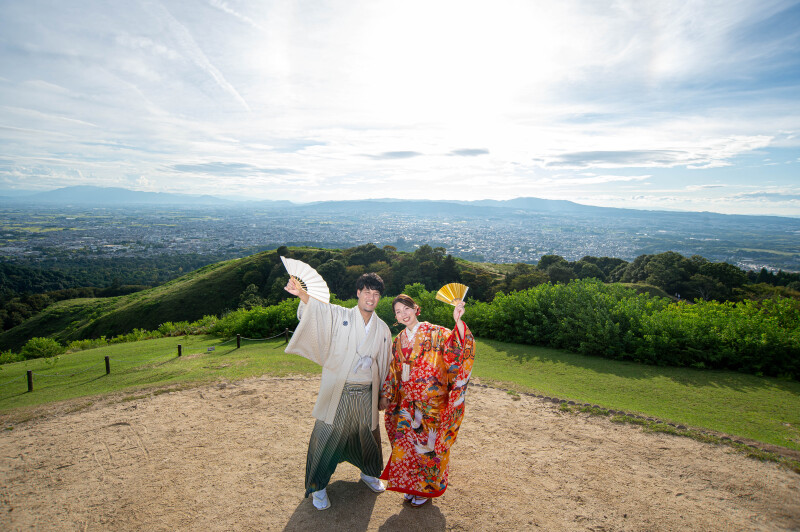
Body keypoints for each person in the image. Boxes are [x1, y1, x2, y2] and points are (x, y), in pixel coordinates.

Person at [284, 272, 392, 511]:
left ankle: (369, 473)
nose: (371, 298)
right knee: (327, 434)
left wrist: (384, 393)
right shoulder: (341, 315)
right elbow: (319, 312)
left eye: (375, 294)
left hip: (366, 391)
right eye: (366, 292)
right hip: (339, 388)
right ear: (358, 293)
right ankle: (318, 486)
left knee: (368, 435)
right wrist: (301, 293)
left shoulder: (383, 329)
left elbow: (385, 362)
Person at [379, 293, 475, 508]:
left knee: (428, 450)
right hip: (407, 404)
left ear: (416, 308)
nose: (403, 314)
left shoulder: (437, 332)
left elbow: (457, 349)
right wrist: (387, 394)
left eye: (406, 309)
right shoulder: (399, 340)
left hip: (431, 404)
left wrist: (458, 320)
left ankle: (425, 490)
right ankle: (412, 486)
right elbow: (393, 371)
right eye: (398, 311)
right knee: (407, 448)